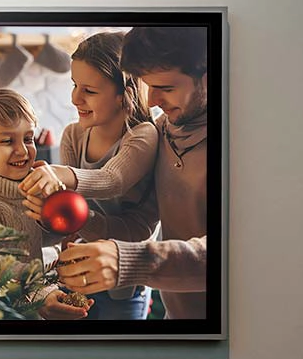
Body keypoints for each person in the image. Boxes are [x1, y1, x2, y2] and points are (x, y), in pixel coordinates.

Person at [56, 26, 209, 319]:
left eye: (166, 88)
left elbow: (238, 251)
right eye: (147, 85)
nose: (151, 101)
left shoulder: (237, 147)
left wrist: (128, 262)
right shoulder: (163, 132)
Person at [17, 31, 159, 319]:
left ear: (124, 93)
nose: (75, 98)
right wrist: (46, 213)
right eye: (74, 85)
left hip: (122, 287)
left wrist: (62, 175)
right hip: (74, 278)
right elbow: (69, 216)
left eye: (89, 91)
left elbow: (112, 181)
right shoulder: (73, 135)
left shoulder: (143, 135)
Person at [0, 89, 91, 320]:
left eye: (28, 139)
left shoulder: (29, 192)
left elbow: (39, 239)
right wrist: (41, 285)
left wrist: (53, 215)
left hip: (35, 305)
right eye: (7, 141)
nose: (22, 150)